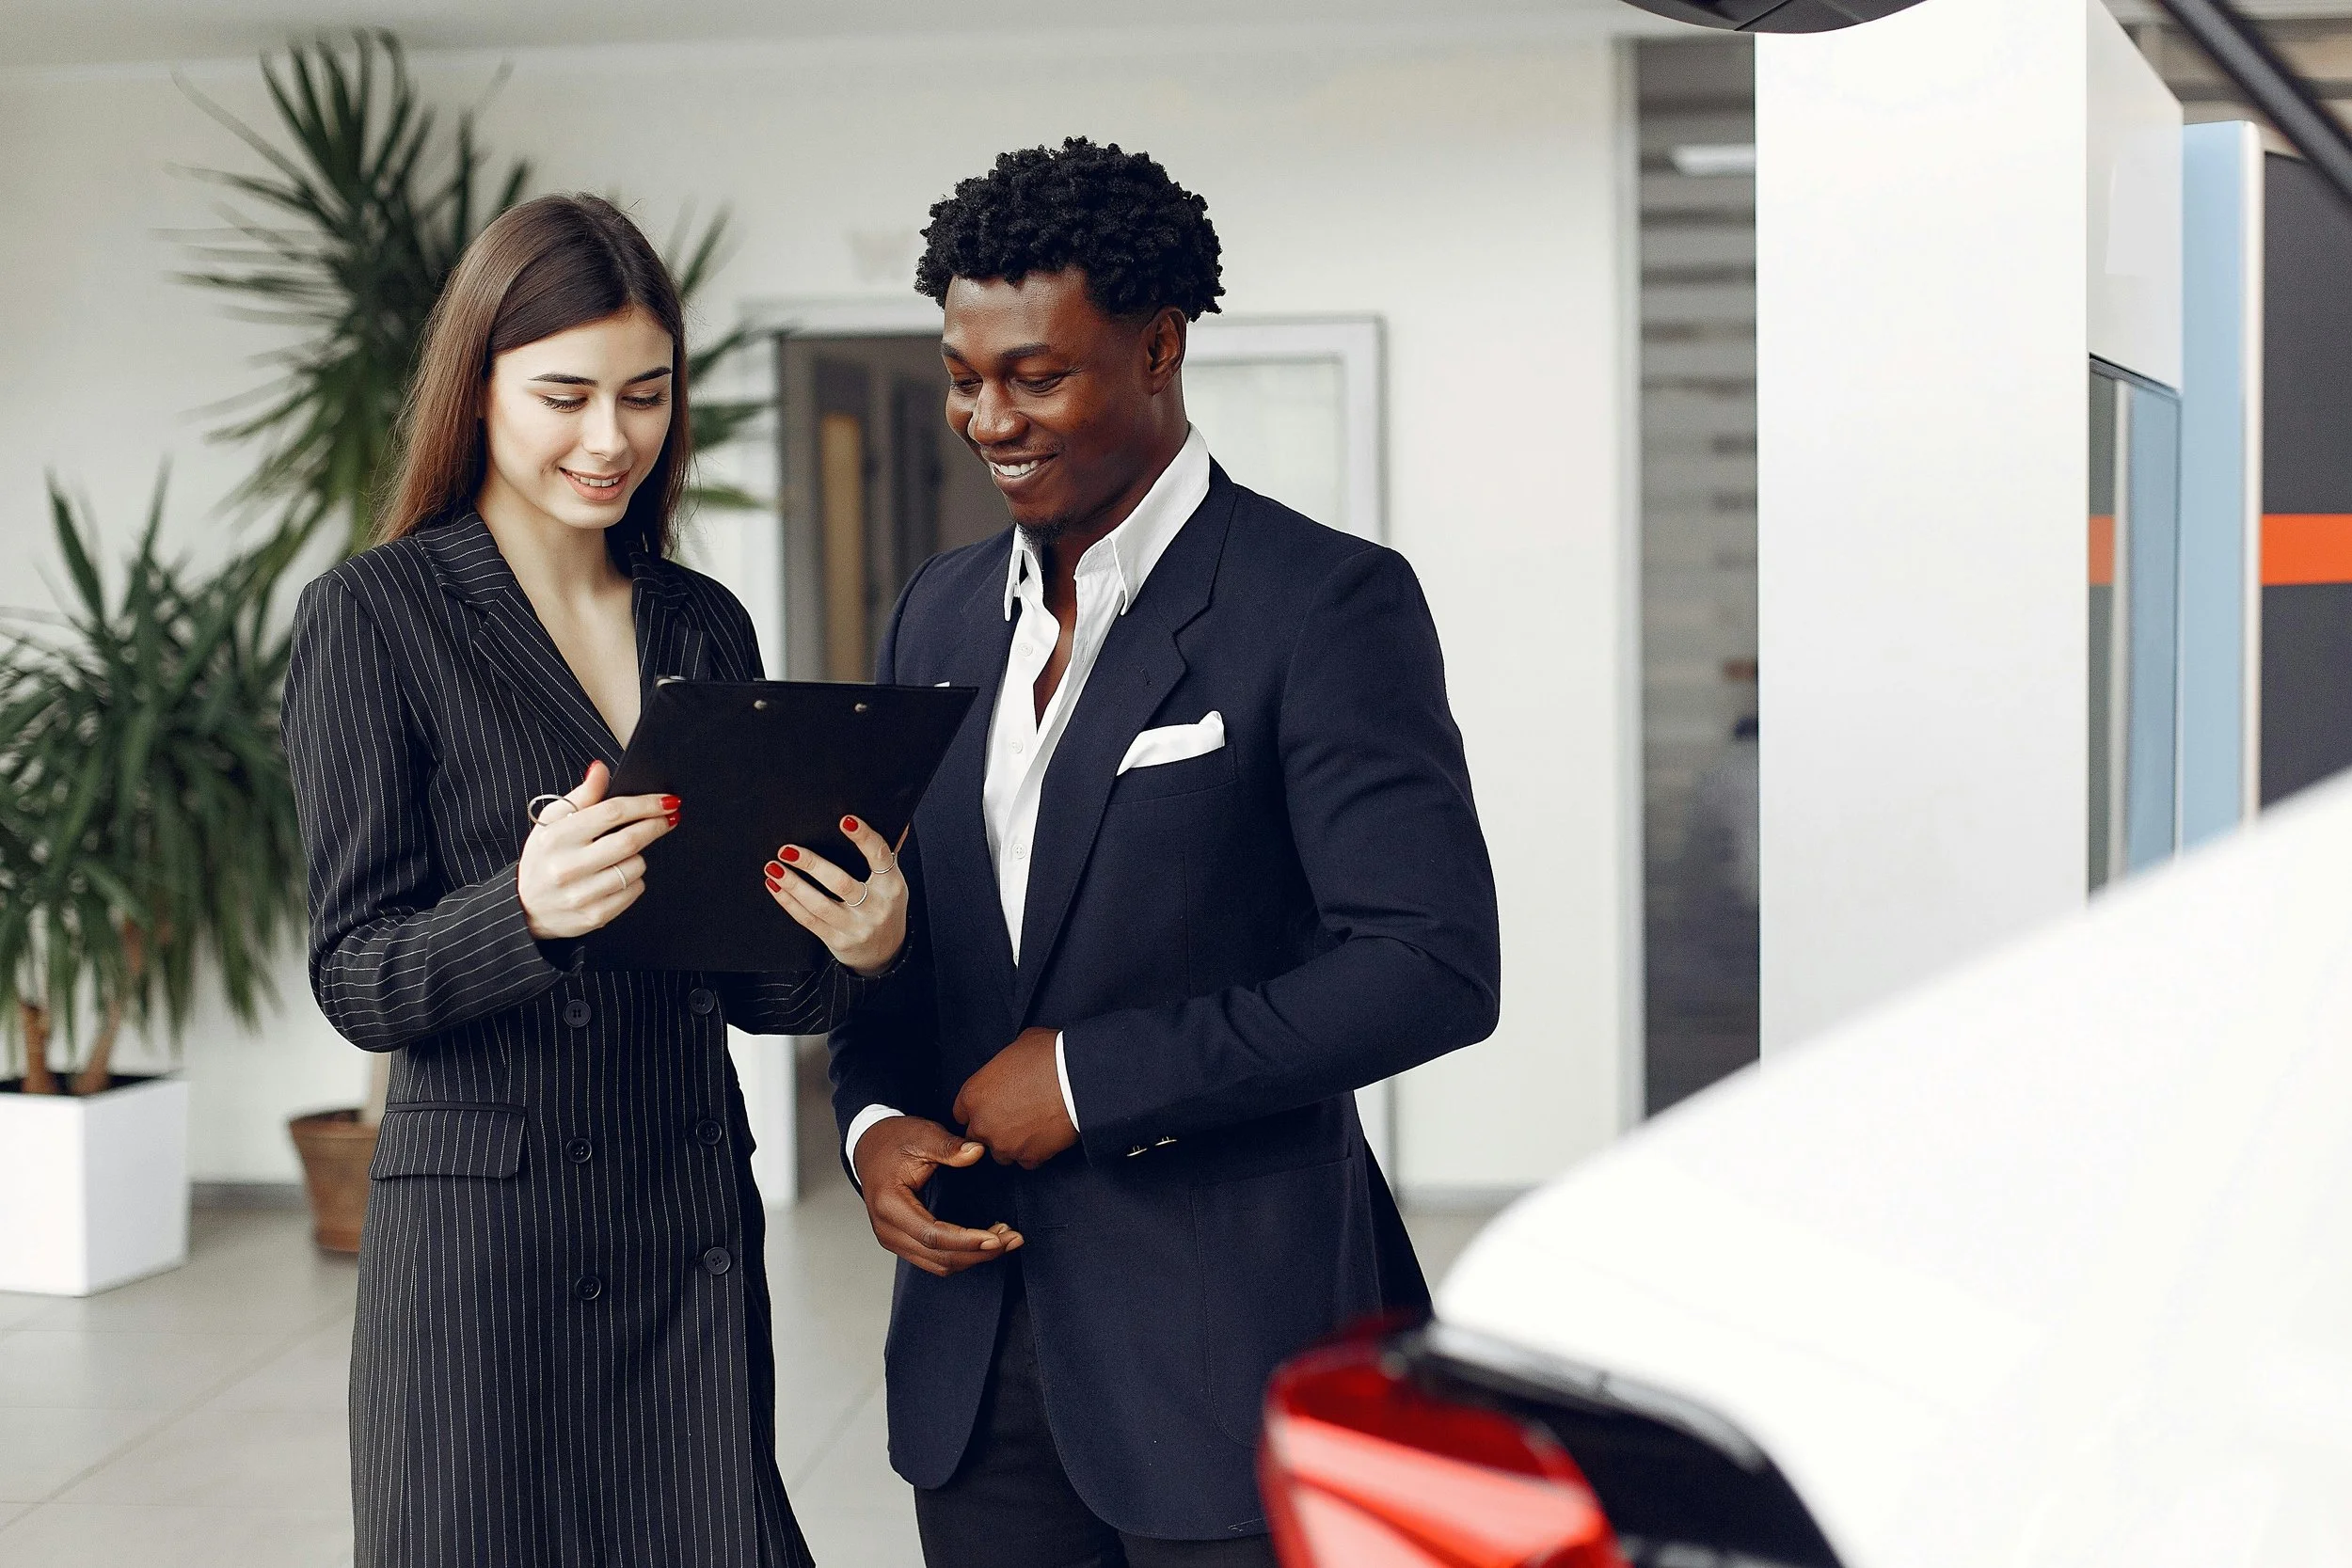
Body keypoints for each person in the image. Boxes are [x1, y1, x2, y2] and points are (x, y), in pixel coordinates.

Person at [827, 140, 1502, 1568]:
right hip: (973, 1357)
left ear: (1157, 346)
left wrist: (1086, 1076)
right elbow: (913, 949)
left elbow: (1428, 965)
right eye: (962, 376)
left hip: (1225, 1347)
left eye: (1035, 374)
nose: (986, 417)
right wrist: (874, 1124)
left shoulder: (1322, 604)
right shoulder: (937, 618)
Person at [281, 194, 914, 1568]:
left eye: (645, 393)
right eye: (564, 394)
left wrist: (853, 940)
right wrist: (524, 910)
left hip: (683, 1220)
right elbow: (355, 973)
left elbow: (759, 979)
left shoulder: (703, 621)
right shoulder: (372, 617)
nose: (610, 436)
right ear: (481, 387)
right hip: (484, 1265)